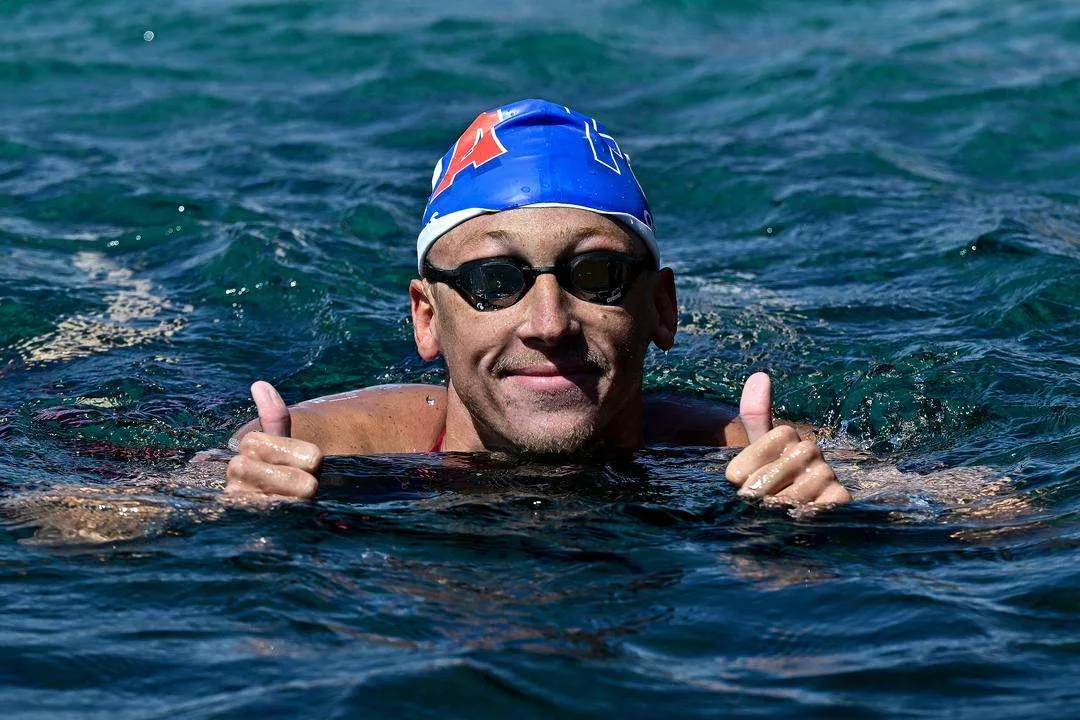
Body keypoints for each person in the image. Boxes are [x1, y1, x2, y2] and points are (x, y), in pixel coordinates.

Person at [225, 99, 851, 507]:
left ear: (662, 307)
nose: (549, 324)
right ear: (427, 317)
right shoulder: (318, 452)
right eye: (495, 281)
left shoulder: (770, 459)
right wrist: (236, 516)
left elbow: (918, 510)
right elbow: (160, 514)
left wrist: (825, 529)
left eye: (597, 275)